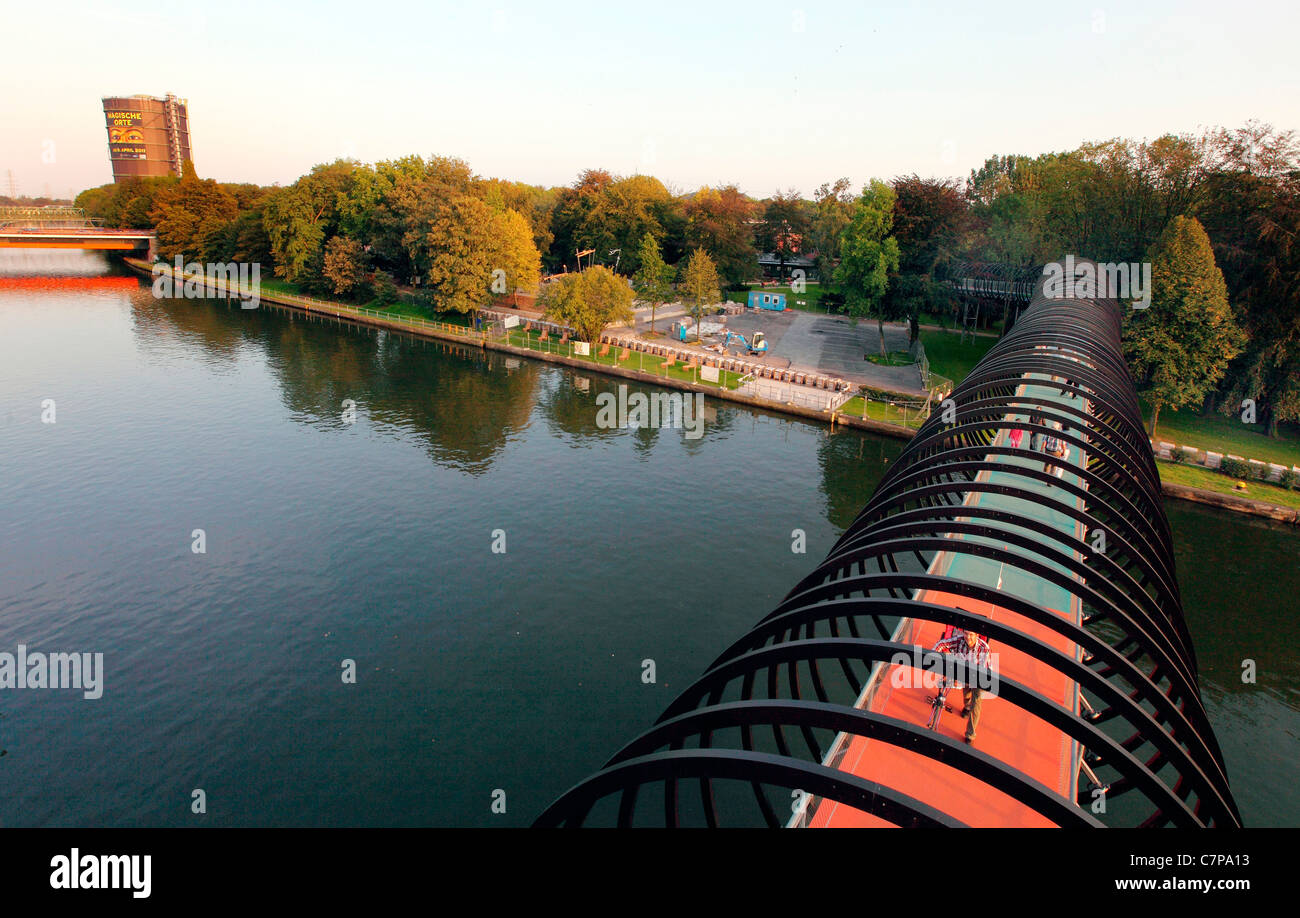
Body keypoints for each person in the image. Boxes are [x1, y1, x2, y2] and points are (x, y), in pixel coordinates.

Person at [932, 627, 991, 745]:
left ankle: (970, 735)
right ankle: (967, 707)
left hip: (979, 677)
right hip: (964, 673)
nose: (968, 637)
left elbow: (984, 671)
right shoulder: (959, 641)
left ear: (977, 635)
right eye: (966, 634)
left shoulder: (984, 649)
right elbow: (940, 644)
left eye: (971, 635)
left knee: (976, 704)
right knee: (966, 694)